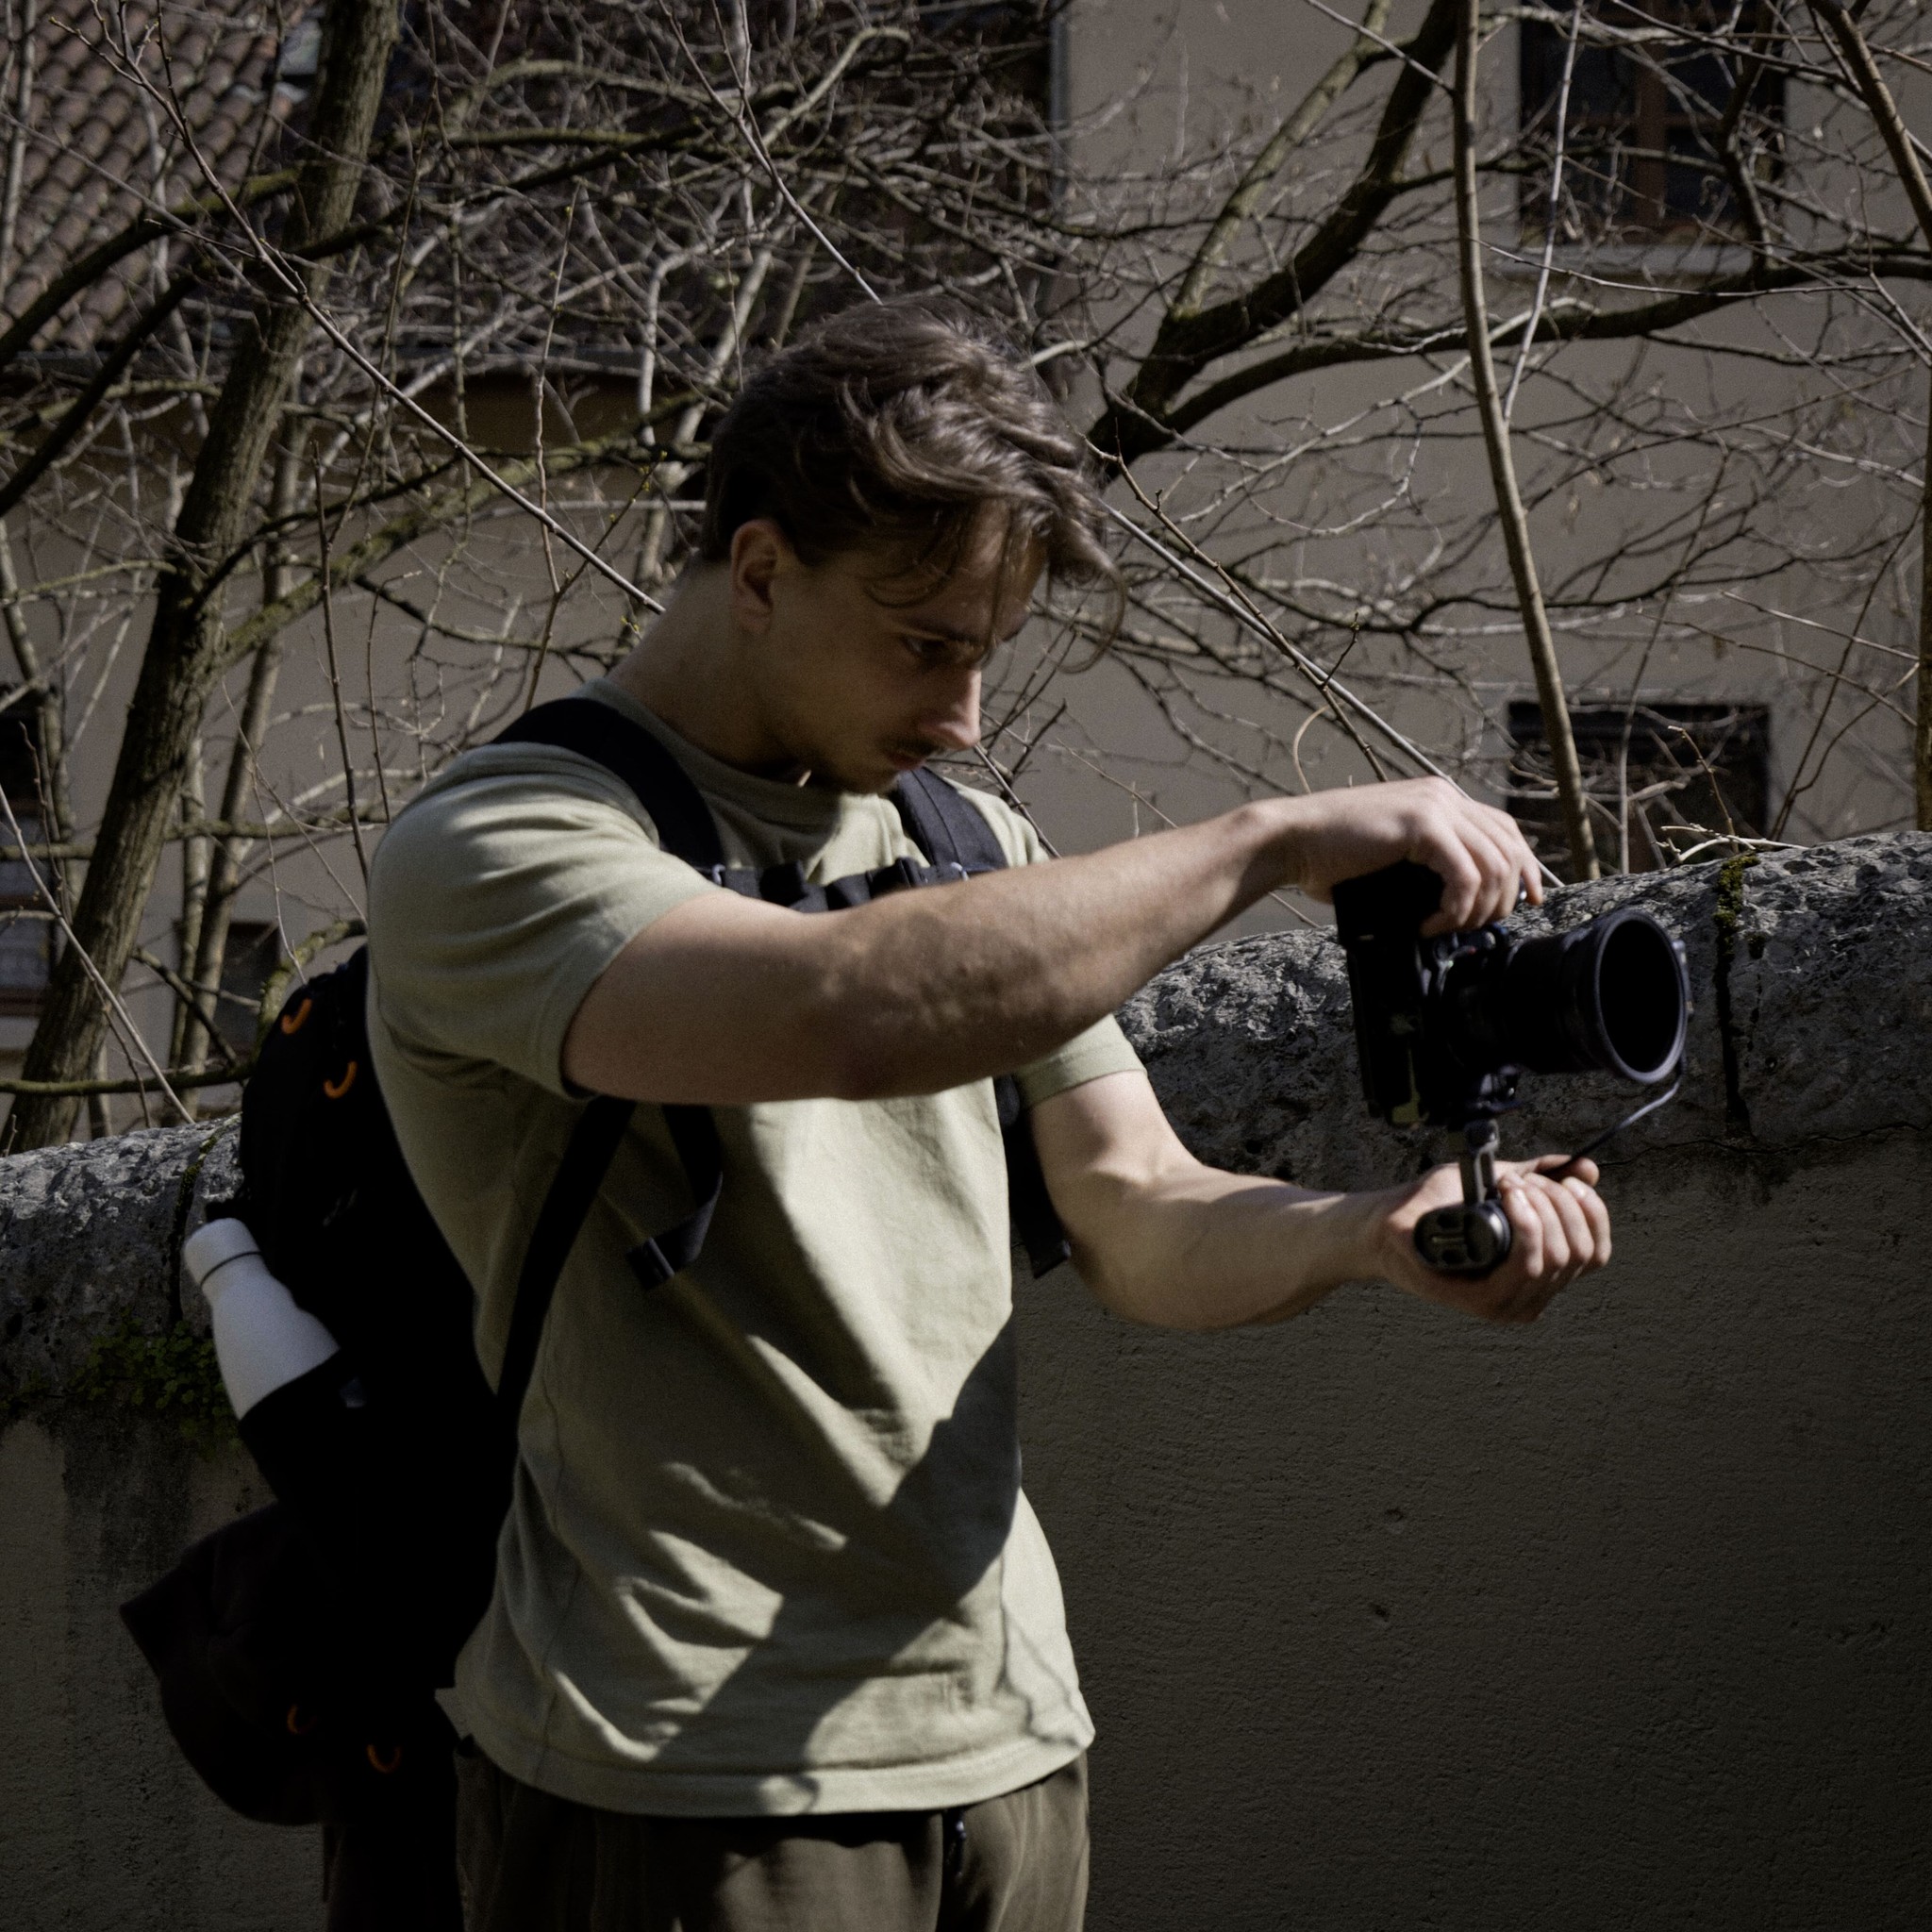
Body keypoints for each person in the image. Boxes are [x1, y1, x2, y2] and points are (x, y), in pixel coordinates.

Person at [364, 297, 1610, 1932]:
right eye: (923, 641)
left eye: (987, 653)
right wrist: (1267, 842)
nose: (963, 713)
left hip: (1008, 1748)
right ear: (756, 572)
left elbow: (1137, 1207)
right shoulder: (504, 841)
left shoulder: (961, 843)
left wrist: (1363, 1239)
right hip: (686, 1778)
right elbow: (845, 1008)